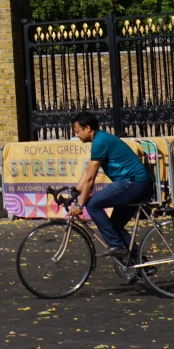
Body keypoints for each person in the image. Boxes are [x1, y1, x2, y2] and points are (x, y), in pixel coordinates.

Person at [65, 111, 155, 262]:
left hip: (134, 182)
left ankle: (116, 246)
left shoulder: (100, 141)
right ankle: (142, 267)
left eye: (77, 131)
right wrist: (74, 193)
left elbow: (90, 178)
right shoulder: (100, 139)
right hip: (136, 183)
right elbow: (87, 173)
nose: (76, 135)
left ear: (87, 128)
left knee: (92, 205)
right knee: (115, 225)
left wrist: (80, 205)